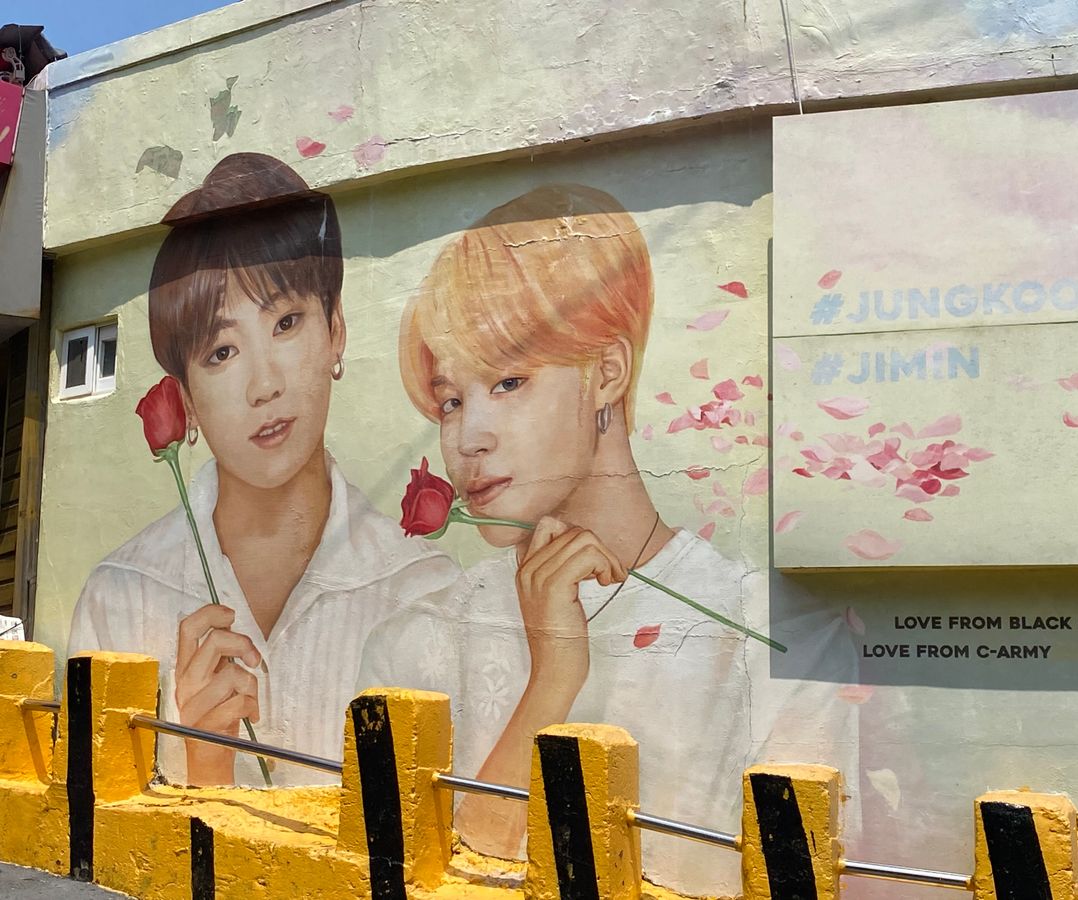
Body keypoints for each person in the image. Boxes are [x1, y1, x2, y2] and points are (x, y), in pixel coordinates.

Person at [358, 183, 857, 895]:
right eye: (450, 400)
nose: (467, 438)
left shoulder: (775, 643)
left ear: (608, 374)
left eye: (508, 381)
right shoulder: (418, 639)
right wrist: (552, 680)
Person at [68, 153, 458, 787]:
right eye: (222, 351)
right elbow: (93, 829)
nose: (264, 385)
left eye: (286, 323)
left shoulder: (424, 591)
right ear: (188, 399)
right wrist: (204, 765)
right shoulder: (122, 598)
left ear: (335, 330)